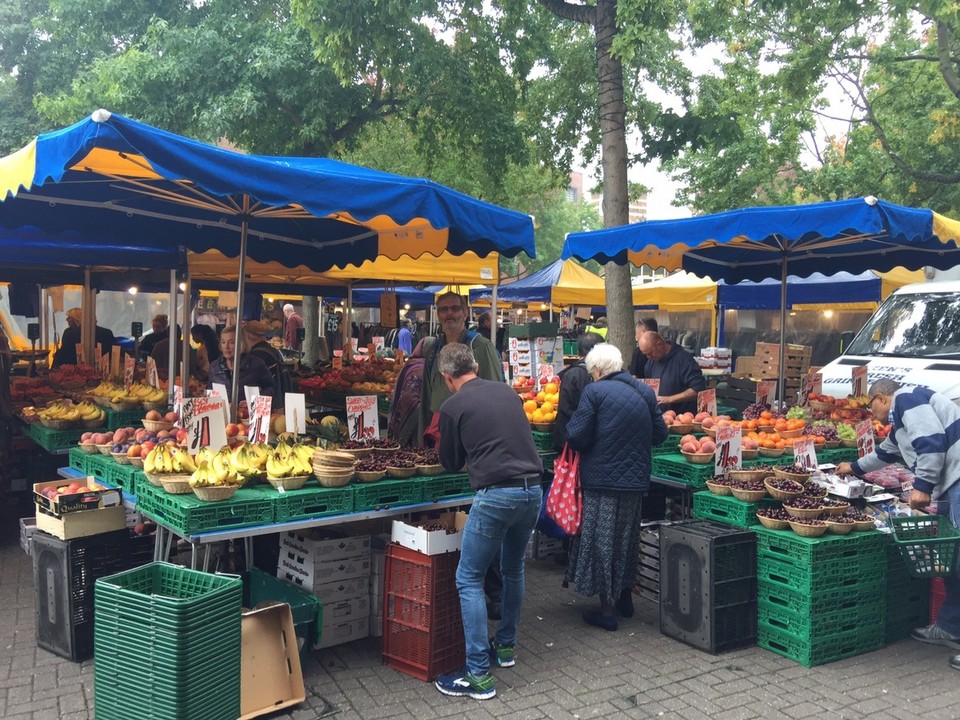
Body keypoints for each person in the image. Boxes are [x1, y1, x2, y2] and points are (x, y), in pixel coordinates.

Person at [434, 343, 542, 700]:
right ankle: (506, 648)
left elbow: (450, 462)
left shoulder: (452, 406)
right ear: (476, 365)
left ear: (447, 377)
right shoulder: (508, 392)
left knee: (468, 579)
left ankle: (478, 675)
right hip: (532, 490)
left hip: (496, 495)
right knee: (513, 570)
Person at [837, 379, 960, 671]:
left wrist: (923, 485)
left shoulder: (906, 399)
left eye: (870, 407)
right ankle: (950, 626)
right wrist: (852, 468)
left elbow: (930, 442)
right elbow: (885, 453)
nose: (871, 414)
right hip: (952, 483)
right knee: (954, 560)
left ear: (880, 398)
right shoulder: (902, 424)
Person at [564, 343, 667, 630]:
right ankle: (625, 599)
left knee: (601, 541)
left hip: (602, 480)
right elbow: (660, 434)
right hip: (635, 482)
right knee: (626, 539)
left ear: (597, 370)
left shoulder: (594, 392)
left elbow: (576, 436)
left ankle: (606, 610)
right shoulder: (644, 391)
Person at [419, 292, 502, 447]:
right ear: (438, 315)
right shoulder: (433, 351)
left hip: (472, 436)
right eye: (444, 309)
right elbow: (426, 399)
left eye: (455, 308)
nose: (449, 313)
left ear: (465, 313)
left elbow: (494, 394)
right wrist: (422, 443)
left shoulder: (480, 347)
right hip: (439, 438)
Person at [553, 332, 604, 452]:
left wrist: (562, 444)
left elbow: (564, 411)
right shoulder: (609, 372)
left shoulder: (572, 374)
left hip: (576, 439)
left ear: (580, 350)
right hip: (598, 438)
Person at [636, 330, 706, 415]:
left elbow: (698, 389)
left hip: (683, 419)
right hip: (661, 418)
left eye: (650, 353)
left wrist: (670, 399)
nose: (648, 357)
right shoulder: (650, 363)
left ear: (659, 345)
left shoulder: (683, 359)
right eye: (646, 354)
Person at [207, 325, 275, 400]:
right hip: (222, 411)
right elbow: (210, 393)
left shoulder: (256, 364)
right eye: (223, 342)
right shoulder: (214, 367)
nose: (226, 347)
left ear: (241, 344)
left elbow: (270, 388)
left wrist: (254, 401)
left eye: (231, 342)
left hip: (247, 411)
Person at [244, 321, 289, 408]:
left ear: (248, 336)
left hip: (267, 403)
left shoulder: (256, 356)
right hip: (280, 398)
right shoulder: (273, 351)